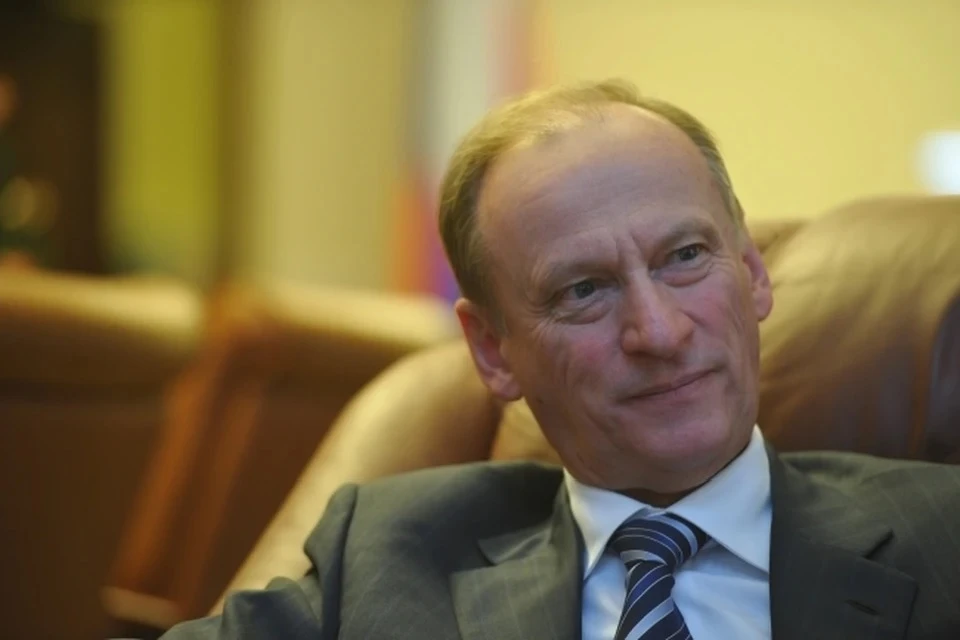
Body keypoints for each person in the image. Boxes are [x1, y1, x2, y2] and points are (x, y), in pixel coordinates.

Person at [162, 80, 960, 639]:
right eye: (584, 290)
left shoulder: (942, 537)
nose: (659, 332)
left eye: (685, 256)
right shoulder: (391, 554)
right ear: (492, 350)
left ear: (751, 272)